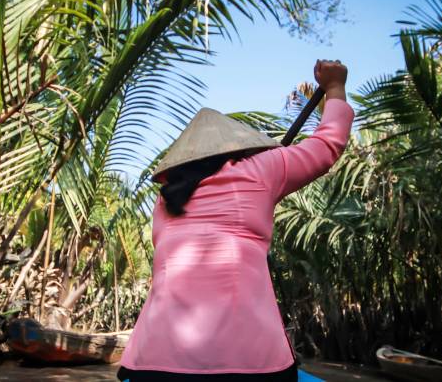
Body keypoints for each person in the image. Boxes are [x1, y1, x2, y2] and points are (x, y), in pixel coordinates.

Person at [117, 60, 354, 381]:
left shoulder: (166, 198)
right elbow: (327, 145)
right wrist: (335, 86)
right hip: (249, 362)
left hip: (152, 360)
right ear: (239, 149)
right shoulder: (262, 169)